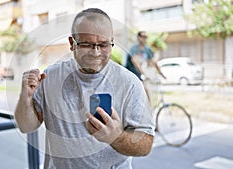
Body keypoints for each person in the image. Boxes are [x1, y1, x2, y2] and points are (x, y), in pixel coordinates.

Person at [15, 8, 154, 169]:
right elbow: (26, 126)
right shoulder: (50, 77)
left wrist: (116, 137)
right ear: (71, 43)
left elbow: (146, 144)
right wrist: (25, 98)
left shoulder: (129, 83)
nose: (95, 53)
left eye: (103, 45)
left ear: (111, 42)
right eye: (86, 44)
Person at [125, 31, 166, 99]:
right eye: (143, 37)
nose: (145, 38)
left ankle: (148, 108)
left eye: (146, 37)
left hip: (139, 74)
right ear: (139, 38)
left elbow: (153, 61)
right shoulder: (134, 49)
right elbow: (135, 62)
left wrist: (161, 73)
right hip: (131, 73)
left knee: (145, 91)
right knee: (140, 90)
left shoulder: (147, 49)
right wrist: (143, 73)